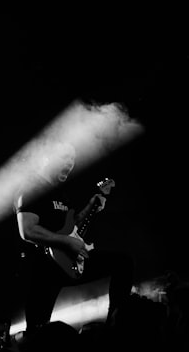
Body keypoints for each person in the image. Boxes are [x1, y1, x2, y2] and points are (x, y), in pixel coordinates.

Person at [13, 140, 133, 332]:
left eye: (73, 158)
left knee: (123, 263)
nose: (70, 162)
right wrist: (66, 241)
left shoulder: (61, 194)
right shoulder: (31, 189)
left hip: (67, 261)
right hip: (42, 268)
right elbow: (27, 231)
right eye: (65, 157)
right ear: (47, 158)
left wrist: (91, 206)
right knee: (37, 330)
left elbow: (72, 228)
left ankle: (115, 323)